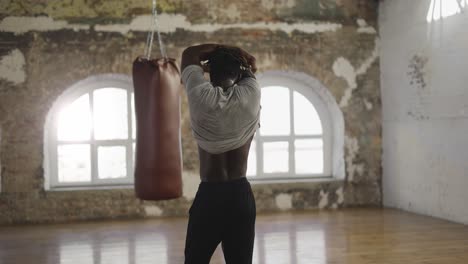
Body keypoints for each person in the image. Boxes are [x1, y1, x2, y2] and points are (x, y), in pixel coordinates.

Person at [180, 43, 261, 264]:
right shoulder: (251, 95)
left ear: (210, 72)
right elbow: (251, 66)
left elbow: (189, 54)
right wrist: (239, 56)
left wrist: (226, 49)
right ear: (237, 73)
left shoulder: (200, 96)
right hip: (240, 196)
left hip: (210, 196)